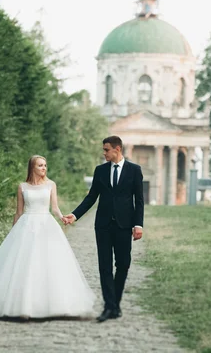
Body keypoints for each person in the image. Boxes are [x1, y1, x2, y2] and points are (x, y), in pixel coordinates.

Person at [0, 155, 96, 319]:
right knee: (25, 263)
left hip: (46, 224)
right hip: (26, 224)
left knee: (48, 262)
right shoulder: (22, 187)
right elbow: (19, 211)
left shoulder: (50, 185)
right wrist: (13, 232)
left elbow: (54, 207)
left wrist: (62, 217)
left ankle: (52, 305)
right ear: (32, 167)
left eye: (45, 165)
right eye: (40, 165)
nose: (44, 168)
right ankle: (22, 306)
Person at [63, 136, 144, 323]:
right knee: (105, 266)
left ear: (117, 149)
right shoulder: (100, 171)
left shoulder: (134, 170)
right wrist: (75, 215)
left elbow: (139, 200)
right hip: (103, 226)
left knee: (123, 264)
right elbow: (91, 197)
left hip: (124, 226)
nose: (104, 153)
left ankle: (114, 303)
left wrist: (138, 225)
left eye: (106, 150)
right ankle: (110, 307)